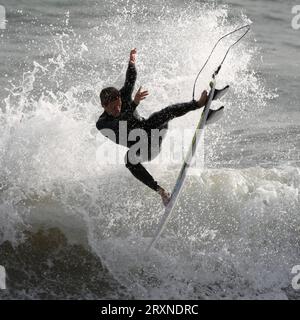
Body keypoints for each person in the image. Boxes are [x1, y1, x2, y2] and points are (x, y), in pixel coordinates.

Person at [96, 48, 228, 206]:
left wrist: (132, 61)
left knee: (163, 113)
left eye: (119, 105)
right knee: (129, 159)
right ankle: (161, 191)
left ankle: (199, 105)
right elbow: (120, 122)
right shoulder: (102, 124)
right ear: (104, 106)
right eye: (113, 108)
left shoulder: (122, 97)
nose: (117, 109)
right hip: (143, 148)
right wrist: (135, 103)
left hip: (153, 131)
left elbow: (130, 79)